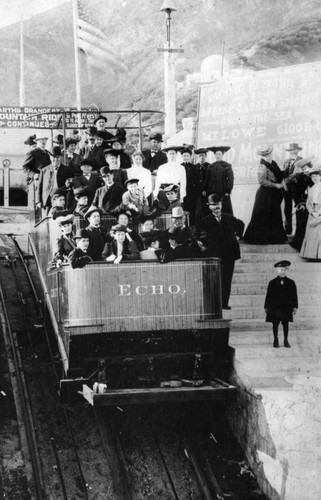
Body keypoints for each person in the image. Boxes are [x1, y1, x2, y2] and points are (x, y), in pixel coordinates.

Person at [199, 194, 244, 310]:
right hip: (215, 255)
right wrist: (206, 245)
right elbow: (200, 236)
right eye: (213, 205)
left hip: (229, 254)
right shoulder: (205, 221)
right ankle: (215, 304)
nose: (216, 207)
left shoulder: (229, 217)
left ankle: (224, 303)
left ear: (221, 204)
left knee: (227, 279)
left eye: (218, 204)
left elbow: (241, 224)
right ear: (209, 207)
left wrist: (238, 236)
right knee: (215, 280)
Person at [243, 145, 287, 244]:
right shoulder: (262, 166)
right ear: (262, 155)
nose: (267, 156)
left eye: (268, 153)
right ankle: (261, 239)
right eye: (265, 154)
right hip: (264, 195)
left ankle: (274, 239)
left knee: (274, 216)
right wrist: (276, 185)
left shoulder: (273, 163)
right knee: (263, 217)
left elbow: (278, 174)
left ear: (271, 153)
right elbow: (261, 181)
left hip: (273, 195)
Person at [264, 260, 298, 348]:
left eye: (284, 270)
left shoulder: (291, 282)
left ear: (287, 271)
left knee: (285, 324)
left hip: (286, 308)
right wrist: (266, 306)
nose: (283, 271)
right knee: (275, 324)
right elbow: (269, 295)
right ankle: (276, 339)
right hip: (275, 308)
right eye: (281, 270)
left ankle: (286, 340)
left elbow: (294, 295)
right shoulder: (272, 282)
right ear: (277, 270)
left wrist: (295, 307)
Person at [36, 146, 74, 214]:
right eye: (53, 157)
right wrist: (39, 201)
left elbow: (71, 187)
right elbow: (39, 187)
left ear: (61, 157)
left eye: (57, 157)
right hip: (47, 200)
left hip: (62, 200)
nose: (55, 160)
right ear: (50, 157)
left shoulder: (67, 170)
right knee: (47, 220)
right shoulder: (44, 170)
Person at [287, 158, 313, 251]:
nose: (306, 169)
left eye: (307, 167)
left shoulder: (315, 176)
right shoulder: (299, 178)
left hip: (314, 204)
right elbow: (295, 193)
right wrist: (300, 204)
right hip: (303, 204)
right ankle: (299, 245)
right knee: (302, 224)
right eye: (304, 168)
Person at [204, 146, 234, 215]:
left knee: (224, 209)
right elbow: (207, 178)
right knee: (213, 207)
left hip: (223, 192)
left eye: (219, 154)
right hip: (212, 191)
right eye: (216, 154)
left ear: (222, 155)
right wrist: (204, 188)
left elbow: (230, 178)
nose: (218, 156)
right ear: (214, 155)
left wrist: (228, 190)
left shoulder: (227, 166)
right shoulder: (211, 166)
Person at [300, 167, 321, 260]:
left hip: (320, 212)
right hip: (313, 214)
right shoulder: (311, 189)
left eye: (316, 176)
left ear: (320, 176)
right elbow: (308, 203)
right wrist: (312, 212)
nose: (314, 178)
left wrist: (319, 213)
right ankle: (311, 255)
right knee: (312, 235)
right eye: (312, 177)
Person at [282, 142, 303, 235]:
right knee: (287, 208)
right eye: (291, 150)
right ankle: (288, 229)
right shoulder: (286, 161)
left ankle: (300, 231)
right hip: (287, 189)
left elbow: (298, 175)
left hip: (297, 189)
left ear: (298, 151)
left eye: (294, 150)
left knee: (299, 207)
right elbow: (284, 174)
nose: (292, 152)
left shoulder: (302, 160)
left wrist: (286, 180)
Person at [181, 146, 198, 225]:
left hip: (191, 191)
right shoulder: (180, 167)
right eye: (184, 156)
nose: (186, 157)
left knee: (191, 208)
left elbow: (196, 179)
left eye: (187, 156)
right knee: (183, 207)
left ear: (190, 157)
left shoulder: (193, 167)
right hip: (182, 190)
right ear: (182, 156)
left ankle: (191, 225)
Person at [194, 148, 210, 224]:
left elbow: (210, 179)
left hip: (206, 190)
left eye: (203, 155)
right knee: (197, 208)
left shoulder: (209, 166)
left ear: (206, 156)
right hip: (197, 190)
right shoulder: (195, 166)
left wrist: (205, 189)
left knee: (205, 207)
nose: (201, 157)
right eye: (200, 155)